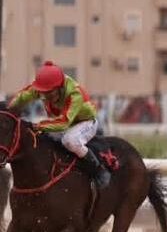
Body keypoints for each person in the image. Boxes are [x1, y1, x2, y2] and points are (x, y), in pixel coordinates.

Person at [7, 61, 110, 189]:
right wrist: (7, 110)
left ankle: (98, 170)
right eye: (43, 93)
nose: (45, 97)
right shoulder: (44, 88)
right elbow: (21, 97)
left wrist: (38, 126)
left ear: (60, 87)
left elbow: (64, 123)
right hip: (59, 122)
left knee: (69, 140)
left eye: (50, 93)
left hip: (84, 122)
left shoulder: (74, 94)